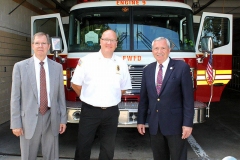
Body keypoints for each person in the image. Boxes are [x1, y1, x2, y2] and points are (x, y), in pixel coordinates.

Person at [71, 29, 132, 160]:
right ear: (100, 42)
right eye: (106, 40)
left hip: (111, 112)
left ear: (116, 44)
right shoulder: (87, 60)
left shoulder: (122, 63)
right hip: (90, 111)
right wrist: (89, 97)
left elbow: (123, 88)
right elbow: (75, 84)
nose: (109, 43)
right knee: (83, 146)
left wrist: (110, 98)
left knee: (108, 148)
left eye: (112, 40)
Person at [10, 32, 67, 160]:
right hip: (28, 121)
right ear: (32, 46)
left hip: (51, 118)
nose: (40, 46)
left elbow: (60, 96)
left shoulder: (57, 67)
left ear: (48, 46)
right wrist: (16, 123)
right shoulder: (20, 67)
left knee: (52, 156)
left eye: (43, 43)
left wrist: (63, 118)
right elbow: (15, 97)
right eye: (37, 43)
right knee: (28, 156)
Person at [137, 37, 194, 160]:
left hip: (175, 125)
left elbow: (188, 99)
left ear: (169, 50)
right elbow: (144, 99)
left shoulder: (181, 67)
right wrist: (140, 120)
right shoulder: (147, 70)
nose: (159, 51)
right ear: (152, 51)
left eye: (163, 48)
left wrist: (188, 124)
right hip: (155, 125)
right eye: (156, 48)